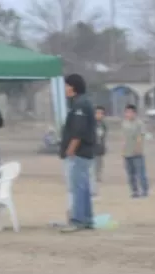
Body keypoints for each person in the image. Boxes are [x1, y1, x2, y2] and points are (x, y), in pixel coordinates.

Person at [59, 73, 97, 233]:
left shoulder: (80, 104)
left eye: (66, 85)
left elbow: (78, 131)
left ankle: (78, 219)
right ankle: (87, 218)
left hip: (80, 151)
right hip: (85, 151)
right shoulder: (81, 102)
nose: (65, 89)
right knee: (84, 186)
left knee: (78, 187)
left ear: (73, 87)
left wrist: (70, 149)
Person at [122, 104, 149, 198]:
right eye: (126, 112)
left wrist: (138, 148)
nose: (128, 114)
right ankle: (134, 191)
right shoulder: (124, 123)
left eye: (130, 112)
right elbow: (124, 138)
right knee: (130, 174)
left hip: (137, 153)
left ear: (134, 113)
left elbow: (140, 136)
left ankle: (144, 191)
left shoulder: (139, 123)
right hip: (127, 152)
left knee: (140, 173)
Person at [92, 106, 108, 197]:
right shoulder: (91, 124)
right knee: (92, 167)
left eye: (101, 113)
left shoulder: (103, 125)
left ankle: (97, 177)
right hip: (92, 148)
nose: (99, 115)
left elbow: (103, 136)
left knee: (99, 164)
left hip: (99, 148)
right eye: (97, 113)